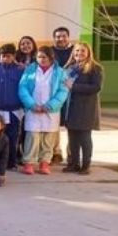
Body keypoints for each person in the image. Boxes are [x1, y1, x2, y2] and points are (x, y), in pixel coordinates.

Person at [18, 46, 69, 175]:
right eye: (39, 57)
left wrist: (50, 106)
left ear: (51, 57)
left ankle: (44, 163)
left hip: (51, 111)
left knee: (48, 137)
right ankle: (29, 163)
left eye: (44, 57)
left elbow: (63, 91)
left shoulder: (60, 72)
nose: (41, 59)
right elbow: (22, 88)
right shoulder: (30, 70)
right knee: (32, 136)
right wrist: (31, 104)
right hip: (33, 109)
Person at [63, 42, 103, 175]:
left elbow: (96, 87)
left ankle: (86, 165)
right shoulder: (69, 68)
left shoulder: (95, 68)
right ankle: (73, 163)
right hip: (71, 108)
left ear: (88, 53)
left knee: (84, 138)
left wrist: (74, 87)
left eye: (82, 51)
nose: (79, 53)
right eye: (77, 51)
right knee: (72, 138)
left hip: (86, 109)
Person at [0, 43, 24, 170]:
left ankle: (11, 162)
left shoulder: (20, 70)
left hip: (14, 110)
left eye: (8, 56)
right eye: (3, 56)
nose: (5, 58)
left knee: (13, 138)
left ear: (14, 56)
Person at [51, 26, 74, 165]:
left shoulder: (75, 52)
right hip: (54, 93)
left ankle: (71, 153)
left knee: (71, 125)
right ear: (54, 38)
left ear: (68, 37)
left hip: (72, 94)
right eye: (58, 36)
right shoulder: (50, 51)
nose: (61, 39)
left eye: (63, 36)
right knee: (54, 124)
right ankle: (55, 152)